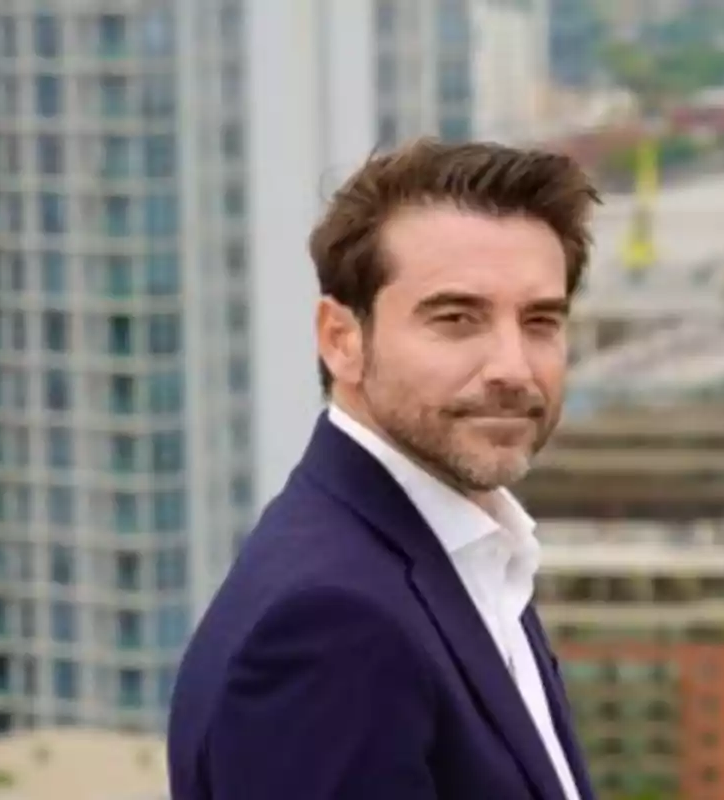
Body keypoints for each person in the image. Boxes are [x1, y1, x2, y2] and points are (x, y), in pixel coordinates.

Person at [167, 139, 600, 800]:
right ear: (342, 339)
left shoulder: (468, 552)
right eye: (457, 319)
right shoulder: (331, 626)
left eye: (540, 321)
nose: (513, 367)